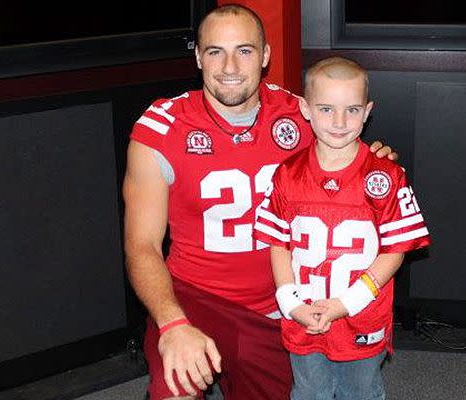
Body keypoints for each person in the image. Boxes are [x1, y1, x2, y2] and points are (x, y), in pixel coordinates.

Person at [123, 5, 397, 400]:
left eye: (245, 50)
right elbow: (141, 245)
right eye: (215, 51)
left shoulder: (301, 116)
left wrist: (376, 163)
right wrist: (172, 324)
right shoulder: (161, 127)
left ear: (266, 55)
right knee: (175, 392)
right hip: (193, 296)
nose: (229, 65)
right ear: (198, 56)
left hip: (278, 306)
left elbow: (353, 162)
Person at [253, 56, 431, 400]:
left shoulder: (386, 176)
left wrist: (349, 302)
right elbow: (278, 243)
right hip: (304, 313)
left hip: (361, 315)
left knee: (361, 391)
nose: (338, 121)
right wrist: (290, 302)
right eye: (326, 109)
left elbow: (395, 251)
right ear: (305, 109)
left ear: (367, 111)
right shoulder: (287, 174)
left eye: (351, 110)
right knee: (308, 391)